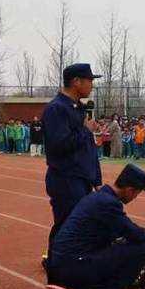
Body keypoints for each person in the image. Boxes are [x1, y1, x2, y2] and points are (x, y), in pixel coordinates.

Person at [46, 164, 145, 289]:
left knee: (119, 244)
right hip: (74, 267)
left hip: (62, 266)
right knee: (144, 248)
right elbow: (133, 233)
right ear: (130, 189)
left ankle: (92, 284)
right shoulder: (109, 204)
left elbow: (122, 229)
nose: (135, 197)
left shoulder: (97, 197)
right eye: (136, 193)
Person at [42, 63, 104, 265]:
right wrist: (85, 131)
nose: (92, 85)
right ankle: (56, 269)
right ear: (76, 81)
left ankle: (71, 267)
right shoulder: (57, 109)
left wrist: (96, 178)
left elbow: (88, 148)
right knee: (66, 225)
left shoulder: (78, 109)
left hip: (82, 178)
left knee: (80, 225)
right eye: (89, 80)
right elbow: (58, 145)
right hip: (66, 178)